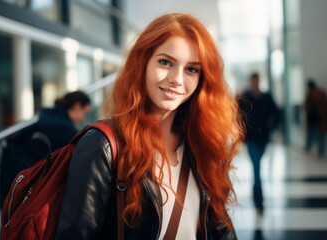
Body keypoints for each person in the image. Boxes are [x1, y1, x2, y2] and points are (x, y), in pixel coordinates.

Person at [56, 13, 243, 240]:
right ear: (142, 63)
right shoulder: (102, 146)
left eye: (191, 69)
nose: (177, 79)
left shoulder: (201, 142)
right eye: (166, 62)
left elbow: (221, 228)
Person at [0, 90, 91, 208]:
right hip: (29, 189)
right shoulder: (64, 129)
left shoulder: (45, 116)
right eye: (85, 113)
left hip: (14, 182)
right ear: (77, 106)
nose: (84, 118)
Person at [238, 73, 280, 214]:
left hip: (263, 139)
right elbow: (237, 113)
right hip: (250, 139)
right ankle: (259, 199)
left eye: (257, 81)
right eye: (253, 81)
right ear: (251, 81)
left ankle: (256, 192)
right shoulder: (246, 98)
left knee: (257, 167)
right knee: (257, 168)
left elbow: (277, 114)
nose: (255, 83)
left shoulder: (266, 97)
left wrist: (271, 126)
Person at [305, 79, 327, 157]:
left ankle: (320, 151)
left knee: (320, 135)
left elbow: (324, 105)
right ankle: (309, 148)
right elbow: (306, 105)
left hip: (319, 117)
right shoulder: (310, 95)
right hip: (313, 118)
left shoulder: (319, 94)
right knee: (311, 133)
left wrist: (321, 113)